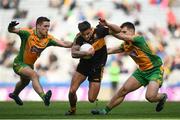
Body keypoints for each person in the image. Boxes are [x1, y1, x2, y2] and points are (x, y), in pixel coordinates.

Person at [91, 18, 167, 115]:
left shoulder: (138, 39)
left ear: (132, 31)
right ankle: (104, 111)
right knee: (123, 90)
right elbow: (109, 50)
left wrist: (108, 30)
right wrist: (91, 52)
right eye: (121, 31)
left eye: (124, 31)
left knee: (150, 97)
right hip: (142, 71)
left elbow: (123, 37)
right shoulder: (125, 45)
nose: (122, 33)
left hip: (155, 70)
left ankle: (162, 96)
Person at [8, 16, 72, 106]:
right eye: (45, 26)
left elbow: (64, 43)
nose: (47, 29)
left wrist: (76, 44)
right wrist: (11, 26)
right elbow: (12, 30)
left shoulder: (48, 39)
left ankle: (14, 94)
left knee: (24, 82)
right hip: (19, 63)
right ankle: (44, 97)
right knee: (34, 74)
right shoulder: (27, 33)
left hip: (29, 66)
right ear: (38, 26)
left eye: (48, 26)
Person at [65, 21, 110, 115]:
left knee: (92, 99)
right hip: (84, 65)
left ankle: (93, 89)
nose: (86, 36)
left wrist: (107, 24)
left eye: (88, 33)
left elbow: (117, 30)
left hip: (97, 67)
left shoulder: (99, 31)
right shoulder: (79, 37)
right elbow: (73, 53)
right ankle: (72, 110)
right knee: (72, 91)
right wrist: (86, 53)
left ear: (91, 29)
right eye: (83, 34)